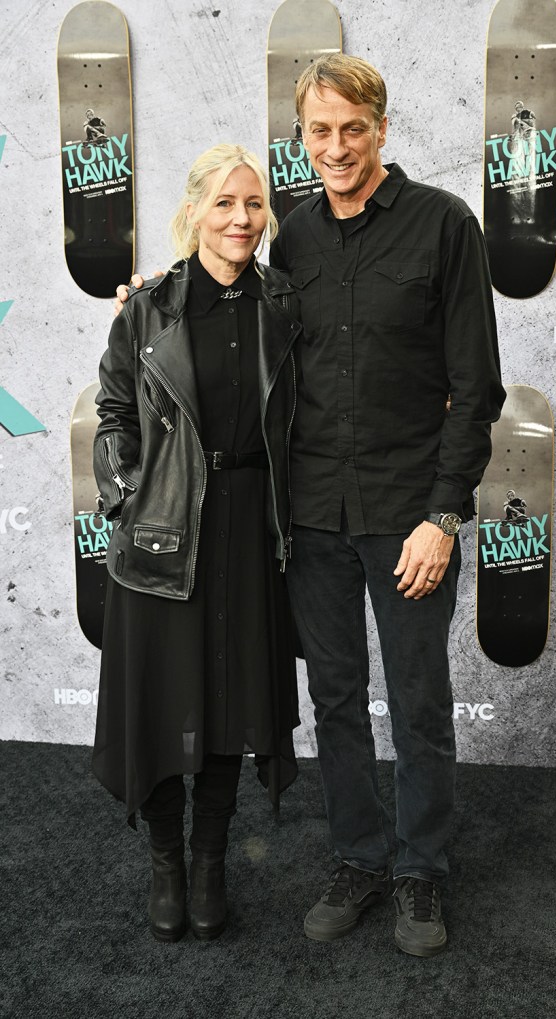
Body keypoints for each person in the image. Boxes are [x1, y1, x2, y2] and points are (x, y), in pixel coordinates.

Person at [118, 54, 505, 959]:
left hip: (410, 517)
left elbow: (476, 386)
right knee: (333, 699)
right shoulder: (289, 236)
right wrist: (148, 302)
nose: (335, 147)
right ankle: (359, 858)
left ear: (381, 127)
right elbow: (216, 302)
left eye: (352, 129)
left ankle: (420, 873)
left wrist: (443, 516)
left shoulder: (445, 226)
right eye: (318, 132)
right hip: (310, 522)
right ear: (303, 137)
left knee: (418, 704)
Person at [93, 143, 301, 945]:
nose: (242, 219)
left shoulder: (282, 300)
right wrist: (130, 500)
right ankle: (166, 864)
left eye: (253, 204)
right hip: (164, 530)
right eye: (225, 203)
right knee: (159, 702)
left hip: (250, 528)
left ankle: (210, 860)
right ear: (193, 212)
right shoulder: (147, 308)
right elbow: (112, 413)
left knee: (229, 701)